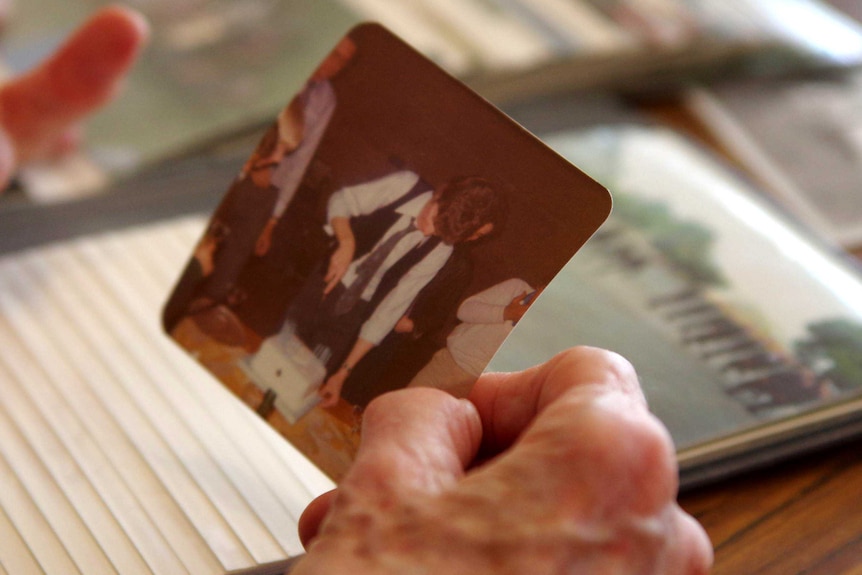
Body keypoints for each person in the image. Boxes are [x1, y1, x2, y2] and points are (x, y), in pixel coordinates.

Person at [3, 7, 712, 573]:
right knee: (287, 333)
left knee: (326, 367)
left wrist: (349, 368)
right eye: (434, 218)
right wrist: (343, 248)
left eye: (449, 234)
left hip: (366, 315)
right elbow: (342, 205)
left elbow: (401, 304)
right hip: (327, 271)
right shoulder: (403, 188)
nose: (433, 229)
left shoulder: (447, 261)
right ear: (436, 199)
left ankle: (309, 379)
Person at [283, 170, 505, 408]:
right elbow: (342, 200)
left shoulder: (441, 250)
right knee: (277, 356)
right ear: (440, 194)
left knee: (304, 382)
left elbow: (390, 309)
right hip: (324, 281)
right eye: (432, 219)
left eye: (440, 233)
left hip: (355, 310)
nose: (428, 232)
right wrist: (346, 241)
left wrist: (342, 373)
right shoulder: (405, 186)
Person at [407, 277, 543, 398]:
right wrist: (505, 313)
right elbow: (464, 310)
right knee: (401, 407)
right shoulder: (516, 288)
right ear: (541, 285)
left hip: (473, 382)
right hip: (448, 361)